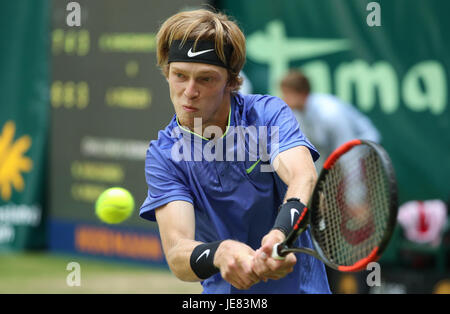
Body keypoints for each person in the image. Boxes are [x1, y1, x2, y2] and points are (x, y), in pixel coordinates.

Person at [139, 9, 330, 294]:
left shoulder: (266, 114)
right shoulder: (164, 156)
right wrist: (221, 252)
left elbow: (302, 178)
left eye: (206, 79)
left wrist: (279, 235)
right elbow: (178, 253)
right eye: (179, 75)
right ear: (167, 73)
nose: (189, 91)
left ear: (231, 80)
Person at [280, 70, 381, 170]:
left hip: (363, 147)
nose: (283, 98)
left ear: (302, 94)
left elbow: (348, 153)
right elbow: (315, 152)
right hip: (335, 150)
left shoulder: (330, 113)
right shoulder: (297, 114)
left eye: (287, 94)